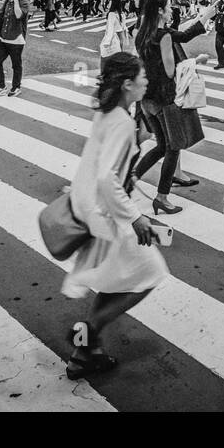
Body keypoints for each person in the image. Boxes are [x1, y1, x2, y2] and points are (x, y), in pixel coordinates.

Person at [61, 52, 166, 379]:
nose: (146, 80)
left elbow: (105, 166)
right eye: (142, 76)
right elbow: (107, 177)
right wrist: (136, 217)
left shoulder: (109, 112)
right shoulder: (121, 120)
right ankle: (88, 330)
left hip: (92, 208)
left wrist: (127, 171)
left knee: (114, 279)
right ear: (127, 84)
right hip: (107, 214)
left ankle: (83, 354)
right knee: (149, 273)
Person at [134, 0, 216, 215]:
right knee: (174, 147)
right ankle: (161, 196)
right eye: (169, 6)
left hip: (146, 100)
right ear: (160, 10)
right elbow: (170, 71)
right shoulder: (164, 36)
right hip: (165, 100)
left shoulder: (141, 33)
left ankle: (131, 179)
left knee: (162, 145)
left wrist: (203, 18)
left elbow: (183, 35)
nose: (172, 10)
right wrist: (195, 61)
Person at [0, 0, 32, 96]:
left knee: (16, 64)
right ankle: (0, 86)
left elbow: (19, 15)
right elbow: (1, 15)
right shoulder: (8, 1)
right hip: (3, 37)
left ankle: (16, 87)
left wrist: (16, 1)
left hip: (16, 39)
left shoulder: (24, 3)